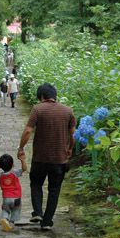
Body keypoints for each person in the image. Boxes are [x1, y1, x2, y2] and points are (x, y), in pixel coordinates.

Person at [17, 83, 76, 230]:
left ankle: (38, 211)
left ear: (42, 96)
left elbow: (28, 131)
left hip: (40, 158)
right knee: (54, 190)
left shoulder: (38, 109)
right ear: (54, 96)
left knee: (36, 184)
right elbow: (73, 135)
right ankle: (47, 222)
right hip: (60, 159)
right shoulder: (68, 111)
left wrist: (21, 148)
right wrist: (69, 149)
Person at [0, 153, 28, 232]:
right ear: (13, 164)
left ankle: (4, 218)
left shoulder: (0, 175)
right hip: (17, 198)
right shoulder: (15, 173)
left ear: (0, 166)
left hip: (6, 198)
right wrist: (22, 160)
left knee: (5, 210)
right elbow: (24, 169)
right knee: (15, 210)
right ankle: (11, 223)